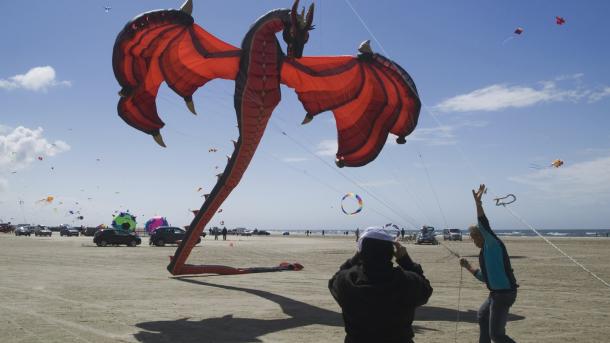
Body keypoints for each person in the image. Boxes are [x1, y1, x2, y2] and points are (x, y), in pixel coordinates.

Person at [329, 227, 433, 343]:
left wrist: (356, 258)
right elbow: (426, 289)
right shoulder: (406, 281)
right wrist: (406, 261)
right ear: (391, 253)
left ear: (361, 252)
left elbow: (334, 280)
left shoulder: (346, 281)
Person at [459, 184, 519, 343]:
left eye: (474, 237)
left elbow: (483, 224)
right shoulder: (483, 254)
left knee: (497, 335)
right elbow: (484, 278)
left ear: (481, 235)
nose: (472, 241)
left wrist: (478, 204)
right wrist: (467, 267)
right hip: (495, 294)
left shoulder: (492, 244)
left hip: (504, 294)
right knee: (482, 315)